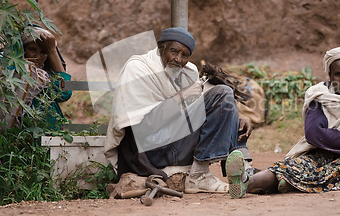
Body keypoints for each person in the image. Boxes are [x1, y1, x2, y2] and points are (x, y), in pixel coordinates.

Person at [226, 43, 340, 198]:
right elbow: (314, 133)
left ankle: (290, 181)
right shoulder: (318, 95)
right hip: (319, 156)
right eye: (338, 74)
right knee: (294, 166)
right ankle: (245, 182)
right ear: (330, 76)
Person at [104, 27, 253, 193]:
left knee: (225, 95)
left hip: (175, 143)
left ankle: (245, 169)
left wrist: (233, 120)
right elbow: (143, 128)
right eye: (173, 51)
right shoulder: (138, 69)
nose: (178, 59)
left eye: (184, 55)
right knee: (222, 93)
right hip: (148, 150)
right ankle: (199, 176)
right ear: (161, 48)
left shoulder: (187, 72)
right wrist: (181, 98)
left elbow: (196, 113)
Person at [0, 24, 72, 132]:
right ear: (21, 49)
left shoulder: (42, 78)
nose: (37, 56)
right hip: (26, 141)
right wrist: (52, 51)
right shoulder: (19, 75)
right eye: (32, 49)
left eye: (44, 52)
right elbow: (64, 93)